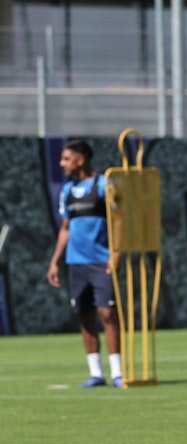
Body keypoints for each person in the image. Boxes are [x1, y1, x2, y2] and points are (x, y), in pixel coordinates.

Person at [46, 139, 124, 389]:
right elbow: (65, 229)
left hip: (101, 261)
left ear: (80, 160)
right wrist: (55, 261)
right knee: (85, 315)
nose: (62, 164)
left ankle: (118, 372)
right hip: (76, 263)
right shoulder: (67, 191)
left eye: (66, 159)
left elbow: (118, 221)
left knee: (107, 313)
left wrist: (116, 254)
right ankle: (96, 373)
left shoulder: (103, 185)